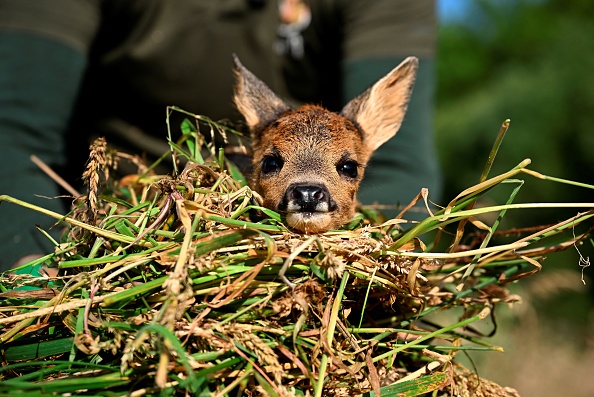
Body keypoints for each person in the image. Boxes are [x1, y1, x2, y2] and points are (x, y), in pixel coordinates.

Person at [0, 0, 441, 270]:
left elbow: (403, 173)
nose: (309, 189)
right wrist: (33, 267)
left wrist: (370, 270)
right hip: (117, 232)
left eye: (346, 168)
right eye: (272, 164)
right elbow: (12, 131)